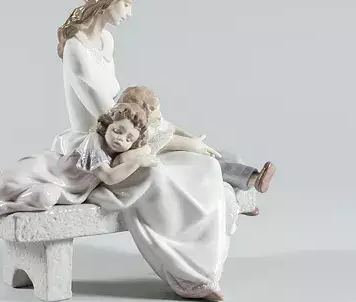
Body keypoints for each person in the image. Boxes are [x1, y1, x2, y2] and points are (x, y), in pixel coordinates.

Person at [54, 0, 265, 302]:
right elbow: (106, 116)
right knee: (168, 175)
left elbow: (119, 101)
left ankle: (208, 259)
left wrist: (155, 122)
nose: (129, 12)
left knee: (200, 163)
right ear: (109, 1)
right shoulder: (77, 49)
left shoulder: (105, 40)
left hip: (126, 129)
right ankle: (192, 274)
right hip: (104, 143)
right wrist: (168, 138)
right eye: (127, 3)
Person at [0, 102, 157, 216]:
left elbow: (131, 156)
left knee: (45, 198)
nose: (121, 139)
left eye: (129, 139)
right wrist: (138, 161)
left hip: (62, 187)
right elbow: (109, 176)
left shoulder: (116, 154)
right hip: (47, 171)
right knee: (5, 187)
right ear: (108, 125)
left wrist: (141, 150)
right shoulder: (94, 141)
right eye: (117, 131)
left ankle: (6, 203)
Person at [117, 85, 275, 213]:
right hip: (170, 162)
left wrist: (192, 138)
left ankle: (243, 203)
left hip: (183, 154)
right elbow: (168, 141)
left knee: (227, 157)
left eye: (159, 113)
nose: (159, 118)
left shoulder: (156, 121)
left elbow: (171, 128)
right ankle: (253, 179)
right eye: (154, 117)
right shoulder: (138, 133)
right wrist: (194, 145)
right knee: (215, 165)